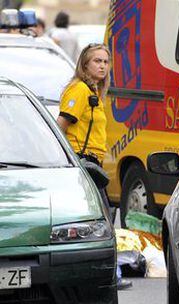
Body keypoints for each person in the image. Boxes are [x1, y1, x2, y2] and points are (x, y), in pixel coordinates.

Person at [56, 43, 132, 290]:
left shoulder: (94, 91)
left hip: (92, 163)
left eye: (105, 61)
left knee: (98, 221)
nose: (102, 66)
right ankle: (105, 276)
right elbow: (60, 127)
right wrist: (69, 163)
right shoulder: (78, 90)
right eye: (96, 61)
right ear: (84, 65)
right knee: (101, 221)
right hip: (81, 163)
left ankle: (102, 275)